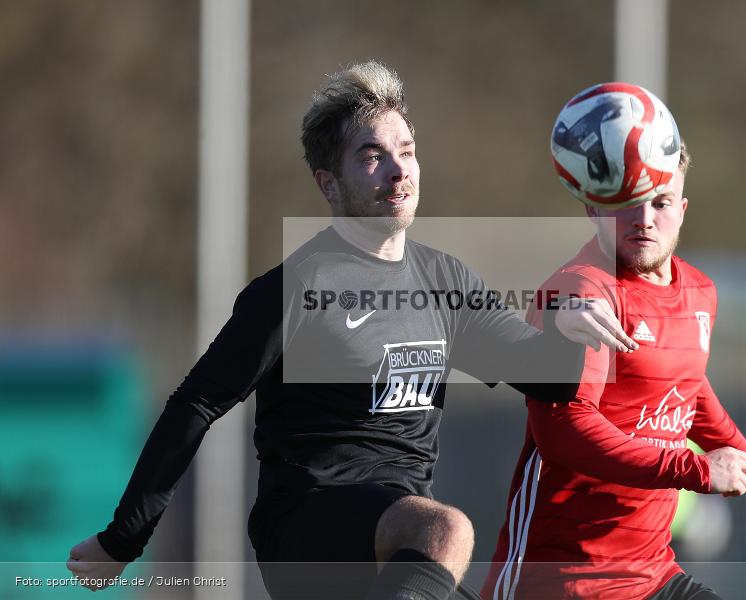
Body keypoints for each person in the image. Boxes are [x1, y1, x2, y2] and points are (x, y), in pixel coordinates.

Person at [64, 61, 635, 600]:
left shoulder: (446, 282)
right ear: (329, 184)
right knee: (449, 531)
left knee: (439, 536)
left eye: (406, 151)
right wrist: (123, 540)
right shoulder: (294, 288)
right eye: (371, 156)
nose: (397, 169)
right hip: (306, 526)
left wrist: (567, 320)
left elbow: (550, 382)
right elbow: (196, 405)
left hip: (399, 541)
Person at [483, 144, 746, 600]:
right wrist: (696, 469)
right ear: (595, 208)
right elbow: (563, 430)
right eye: (626, 203)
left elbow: (687, 388)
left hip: (653, 576)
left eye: (660, 203)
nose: (644, 218)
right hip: (564, 581)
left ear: (681, 211)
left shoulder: (699, 292)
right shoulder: (582, 291)